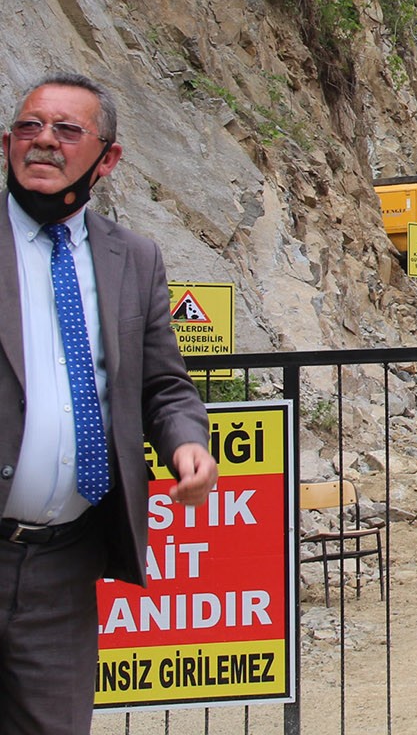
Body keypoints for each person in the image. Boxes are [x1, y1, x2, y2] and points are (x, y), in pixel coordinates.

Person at [1, 73, 216, 733]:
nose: (43, 142)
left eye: (67, 130)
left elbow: (163, 383)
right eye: (29, 127)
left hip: (63, 569)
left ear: (108, 157)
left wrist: (187, 441)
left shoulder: (135, 259)